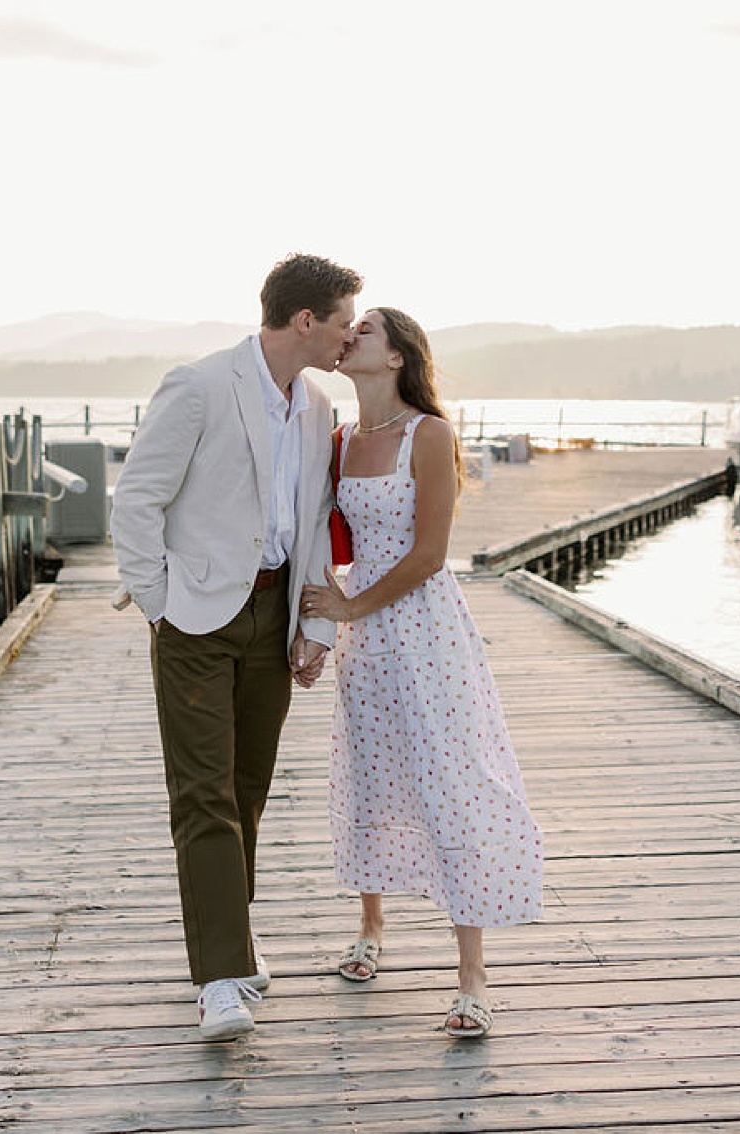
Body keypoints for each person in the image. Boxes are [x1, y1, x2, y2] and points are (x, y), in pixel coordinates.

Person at [110, 253, 362, 1040]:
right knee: (204, 796)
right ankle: (218, 977)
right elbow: (136, 502)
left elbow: (313, 520)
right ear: (305, 320)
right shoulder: (199, 385)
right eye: (345, 322)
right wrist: (162, 607)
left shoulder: (316, 404)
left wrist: (315, 627)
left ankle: (234, 943)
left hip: (273, 615)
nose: (351, 337)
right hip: (196, 617)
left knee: (246, 790)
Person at [299, 307, 544, 1039]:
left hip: (427, 629)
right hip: (363, 637)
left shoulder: (428, 434)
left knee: (450, 782)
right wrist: (320, 630)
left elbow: (431, 553)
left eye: (367, 329)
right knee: (369, 775)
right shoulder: (340, 440)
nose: (351, 335)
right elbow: (318, 543)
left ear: (398, 357)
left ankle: (472, 977)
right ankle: (370, 929)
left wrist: (351, 607)